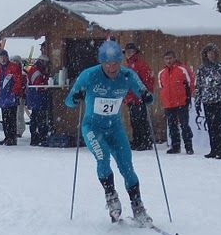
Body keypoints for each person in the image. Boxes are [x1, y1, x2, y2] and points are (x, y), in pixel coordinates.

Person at [64, 39, 154, 225]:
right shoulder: (89, 76)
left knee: (127, 167)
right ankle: (111, 196)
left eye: (116, 64)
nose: (112, 68)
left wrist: (146, 96)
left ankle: (137, 206)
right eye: (108, 64)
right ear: (101, 62)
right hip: (92, 127)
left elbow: (145, 93)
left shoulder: (128, 75)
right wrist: (76, 96)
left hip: (115, 128)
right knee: (102, 156)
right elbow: (69, 102)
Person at [195, 43, 221, 159]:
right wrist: (197, 101)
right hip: (207, 101)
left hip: (219, 100)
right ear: (205, 55)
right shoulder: (201, 69)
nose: (211, 55)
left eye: (213, 53)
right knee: (210, 126)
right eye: (209, 53)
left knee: (217, 124)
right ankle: (213, 150)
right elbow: (199, 86)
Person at [158, 51, 195, 154]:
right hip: (168, 104)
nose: (168, 61)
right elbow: (161, 87)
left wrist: (188, 98)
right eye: (166, 59)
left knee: (184, 125)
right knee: (172, 126)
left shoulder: (182, 69)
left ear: (174, 58)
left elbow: (190, 83)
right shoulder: (161, 73)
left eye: (170, 58)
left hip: (181, 102)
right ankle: (175, 146)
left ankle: (189, 147)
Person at [123, 42, 155, 151]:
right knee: (134, 121)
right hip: (130, 99)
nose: (128, 54)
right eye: (127, 52)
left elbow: (148, 81)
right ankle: (137, 140)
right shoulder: (127, 66)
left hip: (139, 98)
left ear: (135, 52)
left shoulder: (141, 65)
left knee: (142, 121)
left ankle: (146, 141)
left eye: (131, 52)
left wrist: (147, 94)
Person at [0, 49, 23, 145]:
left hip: (11, 97)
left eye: (4, 57)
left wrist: (14, 93)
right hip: (2, 97)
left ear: (7, 57)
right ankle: (7, 137)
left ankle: (12, 138)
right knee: (5, 119)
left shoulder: (14, 67)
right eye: (1, 57)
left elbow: (18, 81)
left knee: (12, 118)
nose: (3, 59)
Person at [25, 55, 50, 146]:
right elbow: (39, 86)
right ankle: (40, 137)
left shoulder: (34, 69)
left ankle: (35, 137)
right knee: (39, 118)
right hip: (37, 98)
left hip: (34, 98)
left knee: (35, 118)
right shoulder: (37, 72)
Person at [11, 55, 27, 138]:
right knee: (14, 114)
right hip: (13, 96)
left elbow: (23, 85)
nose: (14, 63)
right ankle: (15, 129)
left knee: (19, 113)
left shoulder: (23, 73)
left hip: (20, 96)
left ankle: (19, 130)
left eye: (16, 61)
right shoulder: (11, 72)